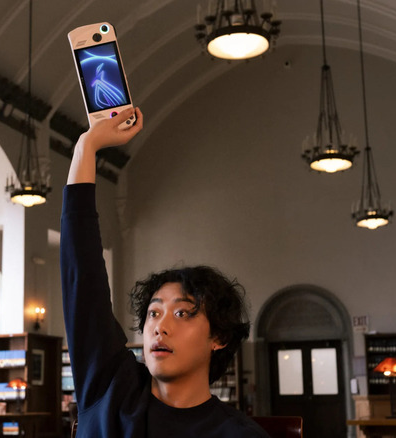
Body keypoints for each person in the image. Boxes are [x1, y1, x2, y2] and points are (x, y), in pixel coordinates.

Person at [61, 107, 269, 437]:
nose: (160, 327)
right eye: (154, 313)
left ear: (219, 337)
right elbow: (82, 277)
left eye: (184, 313)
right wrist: (86, 148)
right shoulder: (111, 387)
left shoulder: (238, 434)